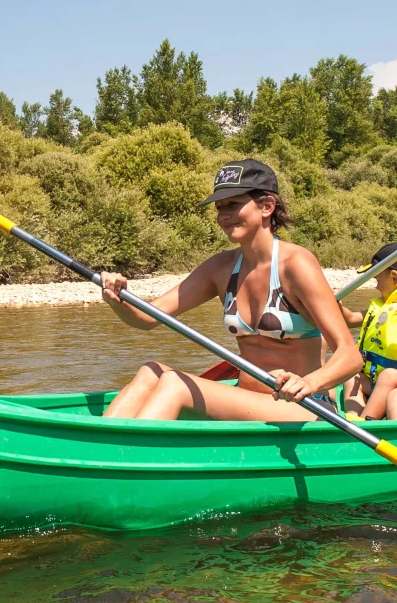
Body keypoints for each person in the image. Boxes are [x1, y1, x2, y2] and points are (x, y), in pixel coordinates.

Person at [101, 159, 362, 422]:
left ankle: (122, 446)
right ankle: (99, 442)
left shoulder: (295, 264)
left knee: (174, 384)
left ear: (267, 206)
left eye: (233, 204)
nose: (223, 216)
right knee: (150, 372)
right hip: (246, 398)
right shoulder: (221, 267)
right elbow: (146, 318)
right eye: (219, 207)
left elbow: (350, 356)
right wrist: (116, 296)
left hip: (303, 405)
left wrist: (310, 383)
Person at [340, 243, 397, 421]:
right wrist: (333, 303)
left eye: (377, 275)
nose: (374, 281)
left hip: (392, 380)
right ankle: (352, 417)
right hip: (374, 379)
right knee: (351, 374)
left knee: (388, 376)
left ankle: (364, 423)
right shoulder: (380, 307)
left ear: (394, 277)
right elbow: (350, 318)